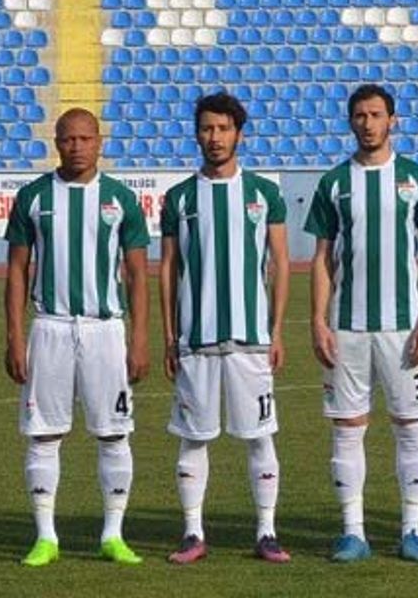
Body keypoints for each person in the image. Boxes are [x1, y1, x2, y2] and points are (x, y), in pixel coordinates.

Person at [305, 84, 418, 563]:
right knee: (348, 428)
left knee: (410, 426)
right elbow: (322, 259)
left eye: (377, 114)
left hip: (403, 328)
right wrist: (318, 320)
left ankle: (412, 530)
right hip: (347, 327)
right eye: (360, 115)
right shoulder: (334, 183)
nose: (368, 123)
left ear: (393, 120)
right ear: (350, 121)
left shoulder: (415, 179)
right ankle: (353, 532)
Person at [4, 108, 150, 568]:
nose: (77, 147)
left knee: (114, 433)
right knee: (44, 433)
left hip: (105, 329)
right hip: (50, 326)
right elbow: (16, 271)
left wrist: (140, 338)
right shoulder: (33, 197)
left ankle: (113, 534)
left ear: (99, 142)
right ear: (56, 142)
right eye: (69, 139)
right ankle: (45, 536)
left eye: (86, 138)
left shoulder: (121, 199)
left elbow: (137, 274)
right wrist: (14, 335)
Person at [160, 92, 291, 564]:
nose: (214, 137)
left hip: (250, 339)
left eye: (223, 128)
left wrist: (277, 331)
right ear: (197, 134)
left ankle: (266, 531)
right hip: (195, 340)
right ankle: (192, 532)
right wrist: (169, 336)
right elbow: (168, 268)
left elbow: (279, 263)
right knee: (193, 436)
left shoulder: (264, 194)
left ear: (238, 133)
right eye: (207, 129)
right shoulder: (180, 198)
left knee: (260, 435)